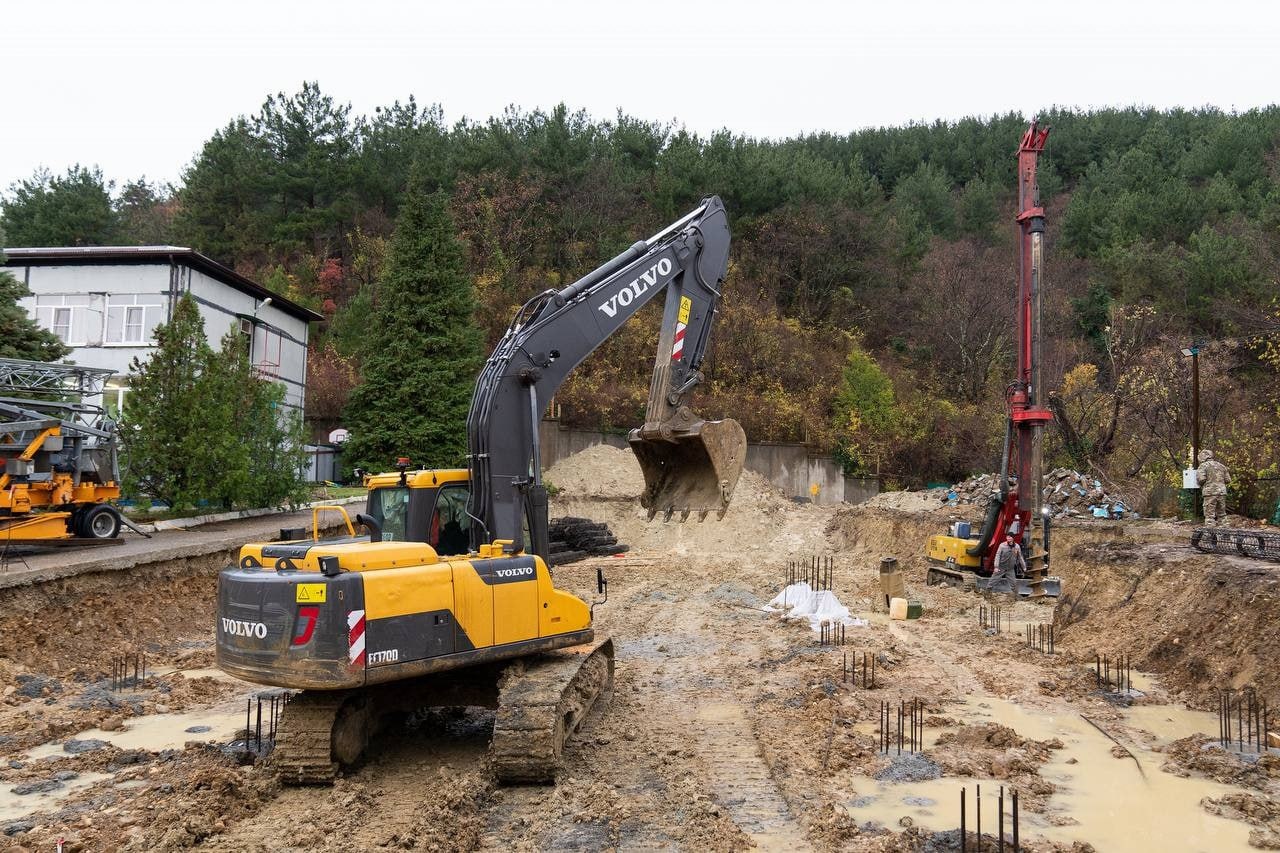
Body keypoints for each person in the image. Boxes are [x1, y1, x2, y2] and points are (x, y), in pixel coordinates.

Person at [1196, 450, 1231, 526]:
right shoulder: (1221, 466)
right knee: (1222, 514)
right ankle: (1224, 533)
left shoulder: (1203, 466)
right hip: (1221, 492)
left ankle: (1209, 535)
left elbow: (1201, 479)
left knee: (1209, 516)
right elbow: (1228, 480)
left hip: (1210, 492)